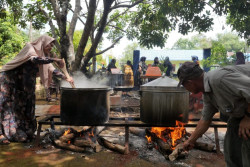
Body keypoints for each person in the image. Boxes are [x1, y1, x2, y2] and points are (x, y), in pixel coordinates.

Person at [0, 35, 73, 144]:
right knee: (5, 106)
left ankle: (24, 131)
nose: (51, 47)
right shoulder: (30, 47)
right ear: (43, 42)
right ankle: (1, 134)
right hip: (8, 79)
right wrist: (54, 59)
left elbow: (52, 69)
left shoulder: (45, 56)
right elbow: (35, 59)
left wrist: (66, 78)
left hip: (24, 82)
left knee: (26, 105)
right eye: (50, 44)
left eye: (53, 45)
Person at [177, 62, 250, 167]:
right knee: (231, 149)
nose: (186, 89)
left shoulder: (219, 79)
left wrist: (248, 118)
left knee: (247, 149)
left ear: (190, 83)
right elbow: (205, 120)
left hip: (247, 113)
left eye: (184, 86)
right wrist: (190, 141)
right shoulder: (208, 93)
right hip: (240, 114)